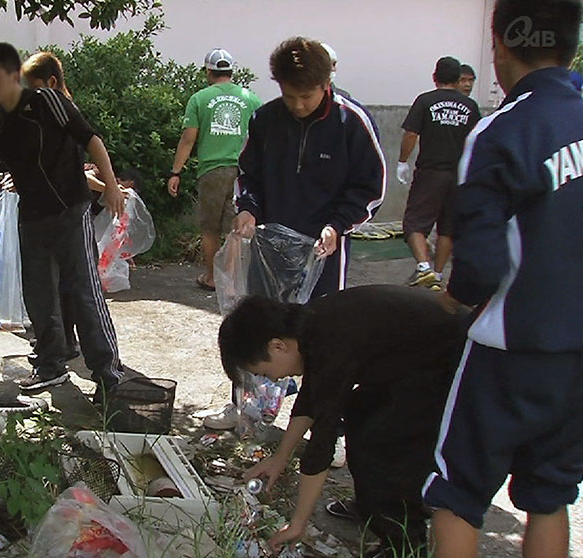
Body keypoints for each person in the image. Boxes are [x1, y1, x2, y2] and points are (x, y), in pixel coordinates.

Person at [422, 1, 583, 557]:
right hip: (578, 352)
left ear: (500, 47)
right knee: (550, 495)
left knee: (456, 494)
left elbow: (481, 263)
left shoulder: (501, 132)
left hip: (510, 347)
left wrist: (454, 298)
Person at [0, 42, 126, 403]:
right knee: (39, 296)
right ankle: (50, 367)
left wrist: (111, 187)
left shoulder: (46, 100)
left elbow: (91, 139)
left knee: (83, 292)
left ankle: (108, 375)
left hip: (70, 209)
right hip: (32, 216)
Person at [220, 286, 467, 556]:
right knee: (361, 413)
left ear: (277, 345)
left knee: (386, 439)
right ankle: (376, 506)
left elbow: (322, 441)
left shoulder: (332, 339)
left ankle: (405, 541)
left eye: (264, 372)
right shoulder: (309, 326)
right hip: (414, 361)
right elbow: (312, 397)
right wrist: (280, 457)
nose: (273, 380)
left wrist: (298, 523)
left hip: (454, 362)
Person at [233, 36, 385, 299]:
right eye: (289, 96)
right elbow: (249, 175)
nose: (298, 105)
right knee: (267, 322)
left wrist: (337, 226)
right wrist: (248, 209)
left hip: (323, 249)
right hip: (269, 246)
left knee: (319, 326)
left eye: (306, 96)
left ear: (326, 84)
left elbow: (369, 187)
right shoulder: (265, 120)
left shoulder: (351, 123)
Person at [167, 48, 261, 291]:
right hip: (244, 172)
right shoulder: (251, 99)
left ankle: (211, 277)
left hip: (211, 171)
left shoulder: (199, 99)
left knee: (210, 227)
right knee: (236, 227)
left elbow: (188, 139)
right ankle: (229, 280)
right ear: (231, 70)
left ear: (208, 71)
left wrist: (176, 171)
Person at [397, 57, 481, 290]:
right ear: (457, 79)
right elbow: (476, 139)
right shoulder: (470, 106)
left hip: (430, 172)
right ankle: (438, 274)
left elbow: (411, 134)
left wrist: (402, 161)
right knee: (447, 227)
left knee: (414, 223)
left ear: (435, 77)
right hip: (459, 174)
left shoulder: (425, 101)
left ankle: (424, 267)